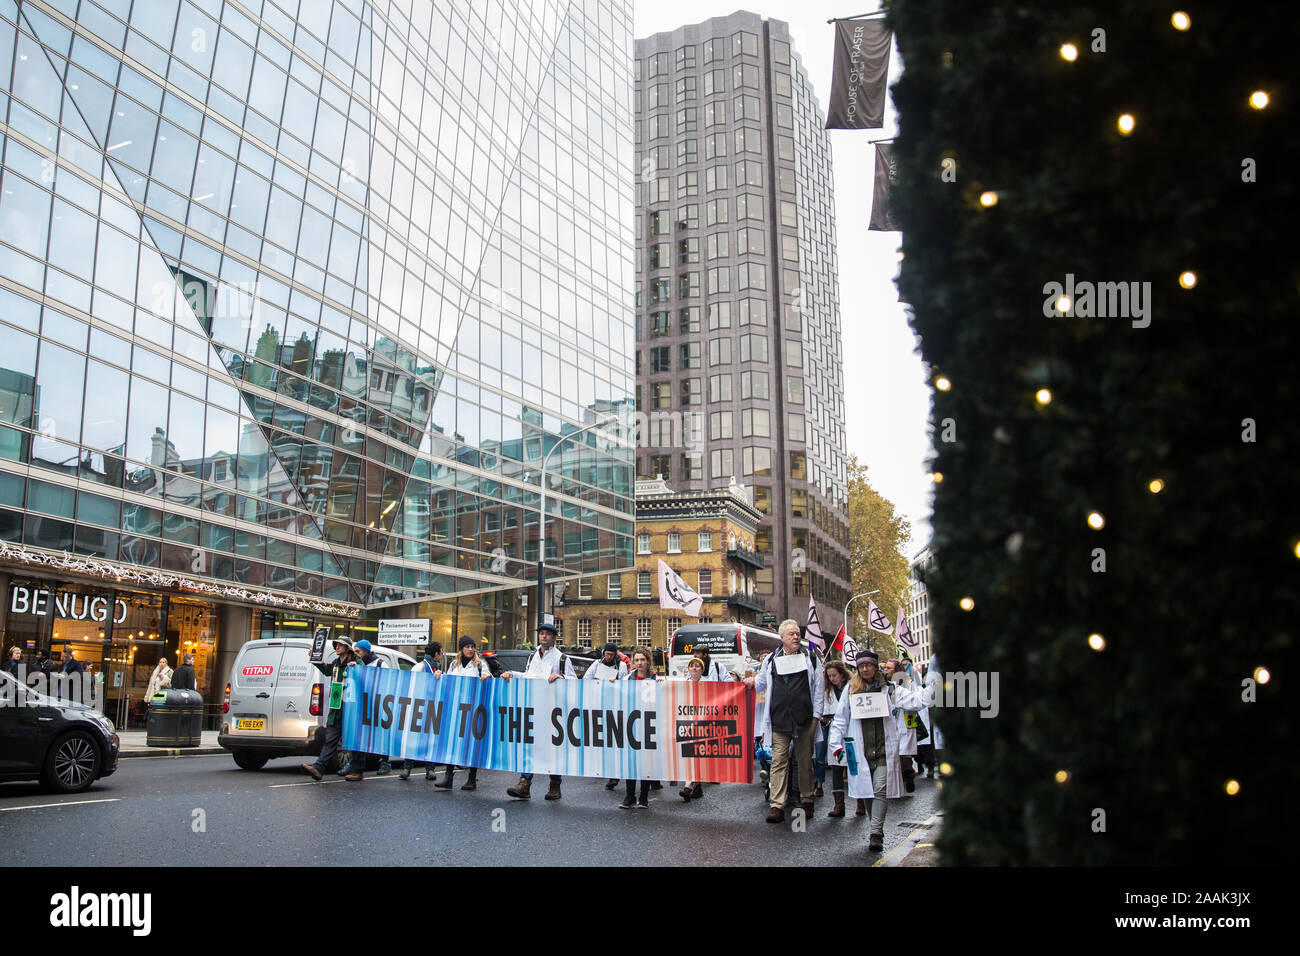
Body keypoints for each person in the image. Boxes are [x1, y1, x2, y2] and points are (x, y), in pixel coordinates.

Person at [829, 649, 923, 852]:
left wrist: (933, 689)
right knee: (867, 792)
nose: (865, 669)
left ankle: (875, 833)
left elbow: (914, 700)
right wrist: (836, 745)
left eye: (869, 665)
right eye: (861, 666)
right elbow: (840, 719)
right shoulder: (851, 689)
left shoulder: (888, 689)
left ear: (875, 666)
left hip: (882, 749)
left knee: (880, 789)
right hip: (861, 750)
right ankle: (876, 827)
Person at [745, 619, 824, 824]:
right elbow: (761, 681)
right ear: (782, 638)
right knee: (779, 762)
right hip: (779, 719)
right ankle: (776, 805)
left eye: (798, 633)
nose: (796, 637)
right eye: (791, 634)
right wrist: (750, 682)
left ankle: (807, 800)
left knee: (805, 762)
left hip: (804, 719)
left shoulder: (811, 658)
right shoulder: (771, 660)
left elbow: (818, 690)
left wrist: (816, 717)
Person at [502, 619, 575, 800]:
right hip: (535, 706)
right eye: (542, 633)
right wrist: (512, 673)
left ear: (554, 638)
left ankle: (555, 785)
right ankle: (524, 784)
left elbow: (574, 681)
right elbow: (529, 676)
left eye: (547, 634)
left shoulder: (562, 658)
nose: (543, 636)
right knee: (530, 746)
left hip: (553, 709)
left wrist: (561, 676)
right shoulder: (533, 656)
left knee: (553, 748)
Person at [431, 637, 492, 791]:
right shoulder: (453, 664)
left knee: (472, 743)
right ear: (461, 649)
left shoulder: (480, 665)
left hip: (473, 708)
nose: (470, 649)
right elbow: (447, 682)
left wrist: (488, 677)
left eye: (472, 646)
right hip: (456, 708)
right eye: (467, 647)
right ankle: (448, 777)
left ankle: (472, 778)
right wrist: (439, 675)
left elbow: (488, 682)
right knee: (451, 742)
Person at [303, 637, 364, 781]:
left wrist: (358, 668)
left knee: (353, 740)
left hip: (350, 707)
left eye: (340, 645)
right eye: (336, 645)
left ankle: (358, 770)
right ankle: (318, 768)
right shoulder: (337, 663)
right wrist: (315, 659)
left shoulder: (357, 662)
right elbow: (326, 670)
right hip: (336, 707)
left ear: (347, 648)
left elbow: (366, 676)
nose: (337, 647)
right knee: (331, 739)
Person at [620, 648, 660, 809]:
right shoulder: (628, 679)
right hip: (632, 724)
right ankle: (629, 796)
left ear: (648, 661)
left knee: (646, 763)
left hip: (649, 725)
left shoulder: (656, 679)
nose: (639, 663)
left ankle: (643, 797)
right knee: (630, 762)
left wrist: (661, 686)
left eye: (642, 660)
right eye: (636, 660)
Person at [400, 640, 444, 782]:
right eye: (441, 652)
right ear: (436, 654)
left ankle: (430, 769)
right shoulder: (420, 667)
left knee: (430, 739)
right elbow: (412, 684)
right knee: (413, 738)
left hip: (432, 708)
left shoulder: (437, 668)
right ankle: (407, 768)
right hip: (418, 707)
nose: (441, 655)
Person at [816, 660, 852, 817]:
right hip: (835, 733)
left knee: (853, 766)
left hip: (851, 732)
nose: (832, 678)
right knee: (837, 767)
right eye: (829, 676)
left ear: (842, 673)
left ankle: (861, 802)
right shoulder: (827, 690)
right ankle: (839, 805)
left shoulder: (852, 687)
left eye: (834, 675)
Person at [352, 640, 391, 775]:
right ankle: (354, 762)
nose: (356, 655)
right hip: (362, 703)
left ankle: (385, 762)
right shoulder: (357, 664)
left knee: (381, 733)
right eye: (354, 652)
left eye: (358, 651)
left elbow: (388, 682)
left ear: (366, 651)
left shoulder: (380, 663)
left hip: (378, 703)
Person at [882, 658, 919, 793]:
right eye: (885, 668)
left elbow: (914, 699)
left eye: (889, 668)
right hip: (892, 721)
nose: (886, 670)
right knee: (895, 753)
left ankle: (908, 776)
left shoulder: (907, 681)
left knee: (905, 754)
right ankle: (898, 781)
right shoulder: (884, 684)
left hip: (906, 719)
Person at [677, 657, 710, 802]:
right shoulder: (683, 684)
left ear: (702, 670)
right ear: (688, 669)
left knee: (697, 754)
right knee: (689, 754)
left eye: (698, 666)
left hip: (703, 723)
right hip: (687, 723)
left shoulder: (708, 684)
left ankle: (688, 786)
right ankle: (695, 786)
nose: (695, 668)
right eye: (692, 666)